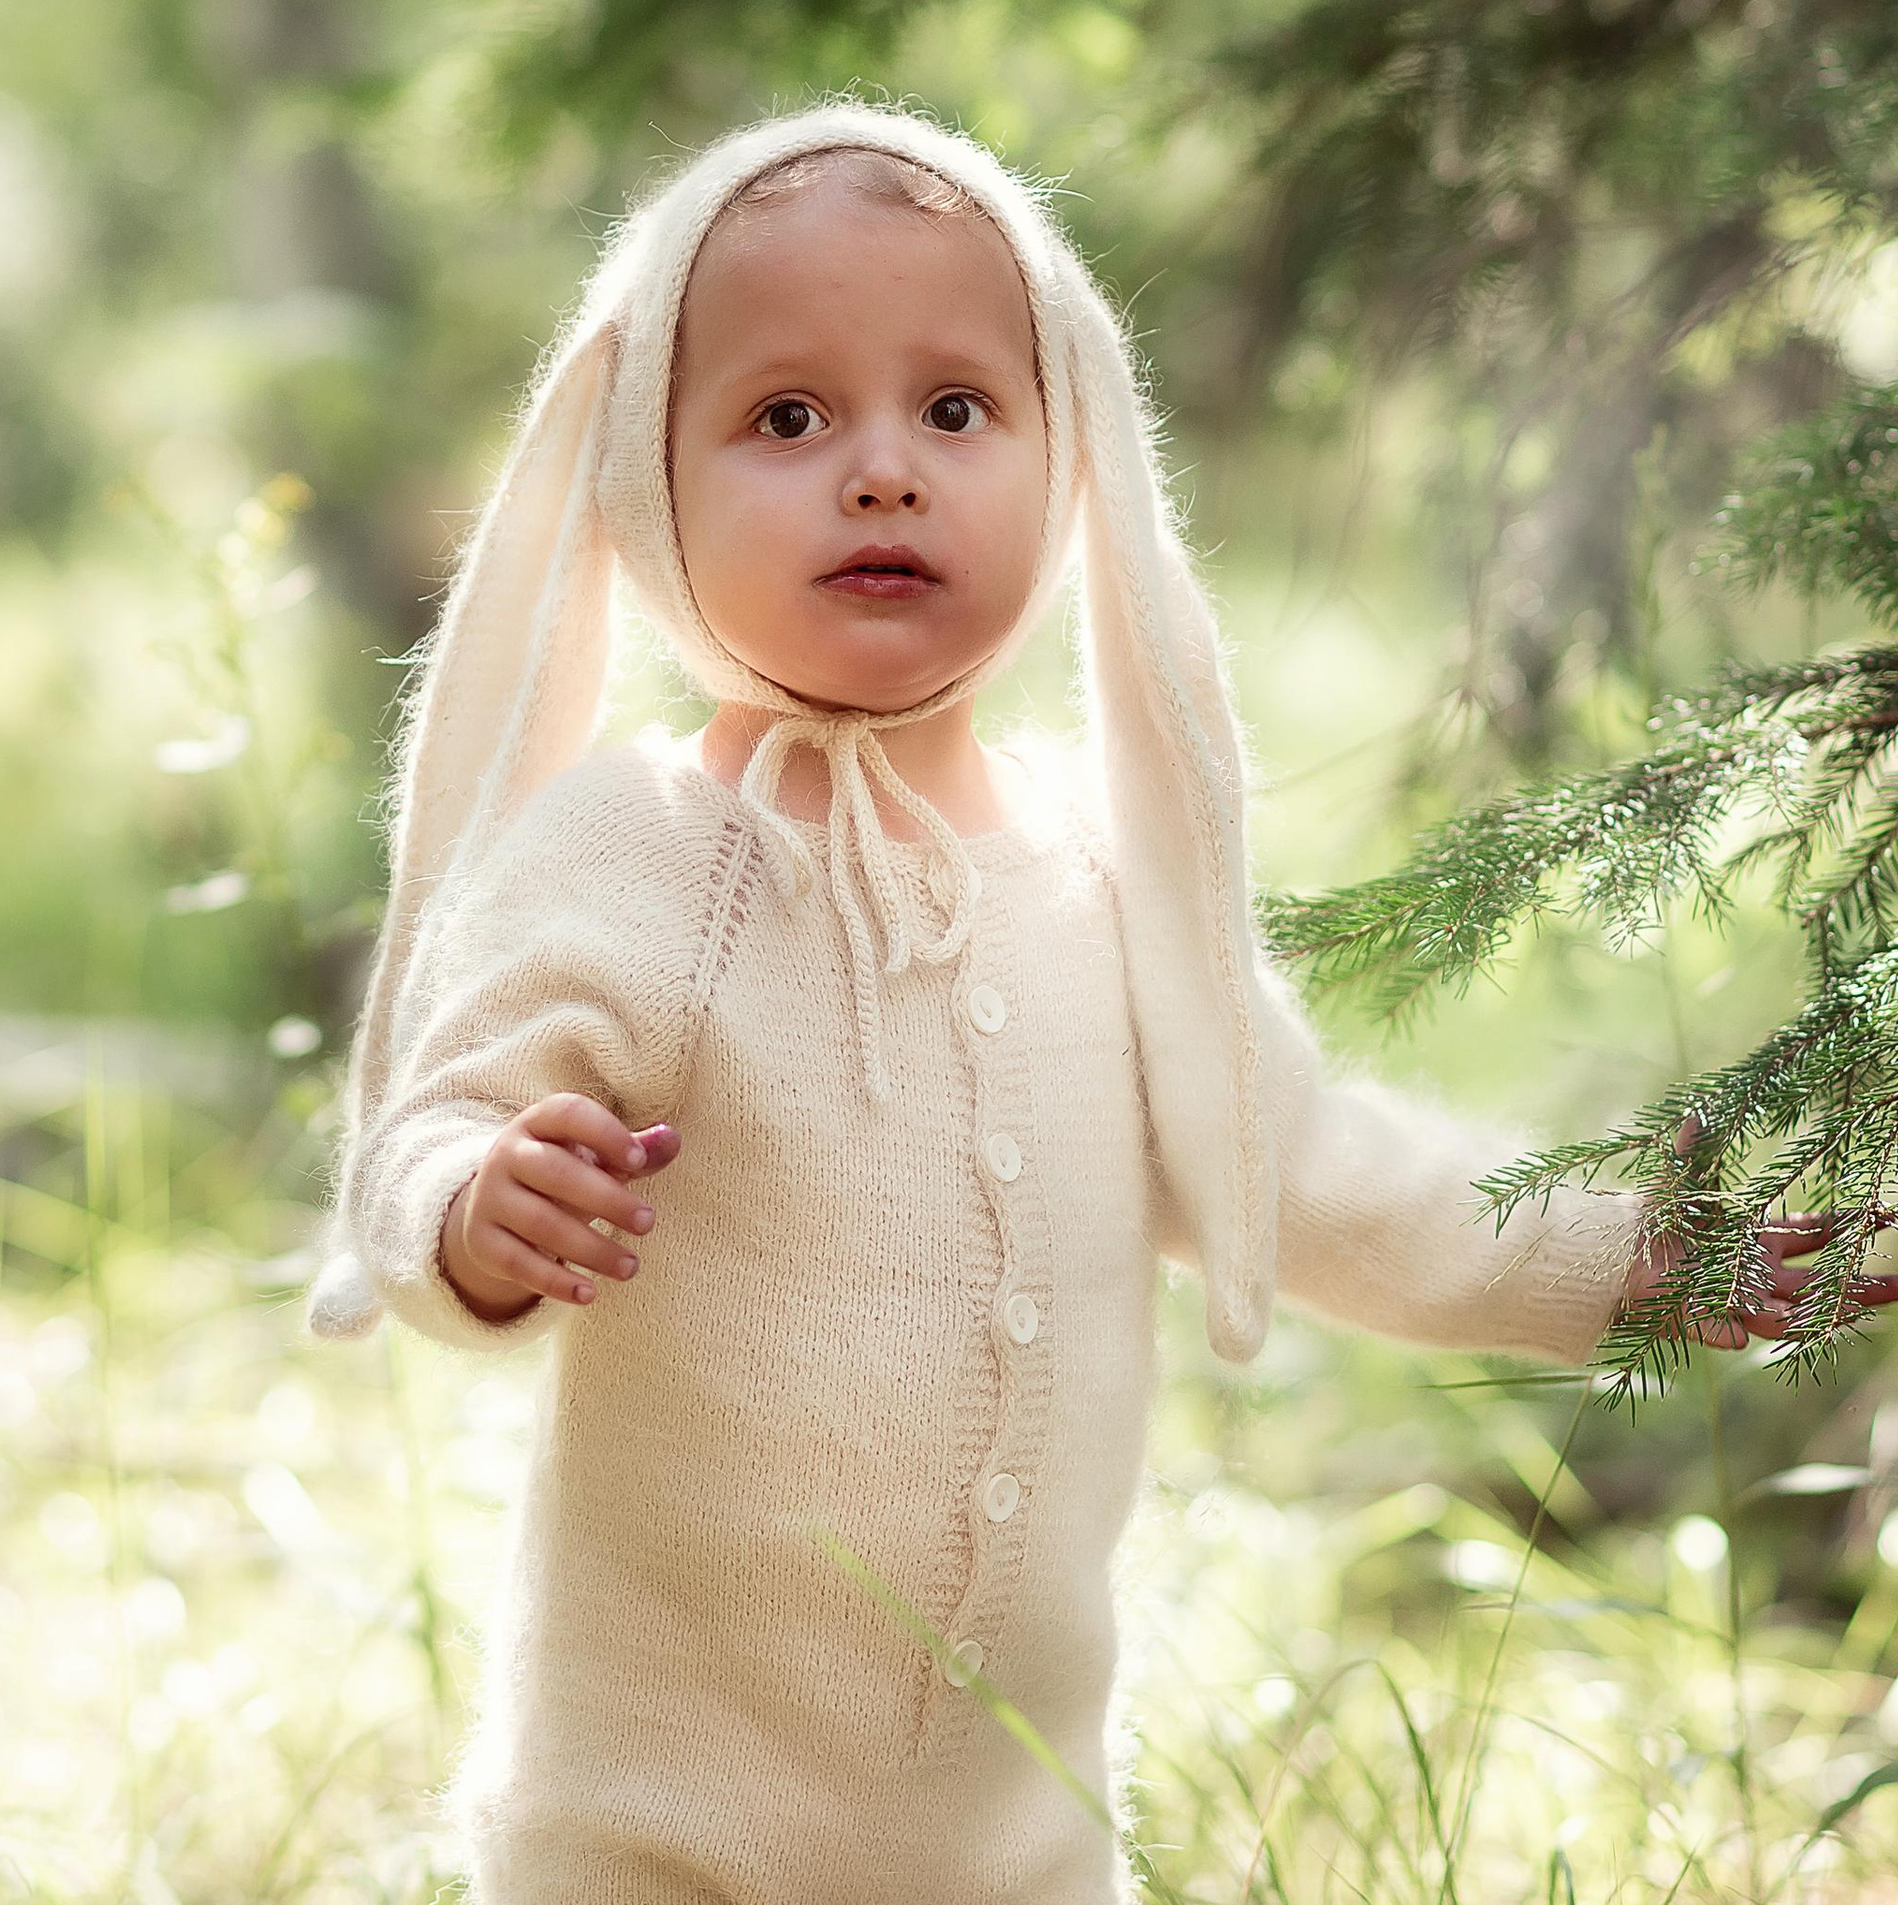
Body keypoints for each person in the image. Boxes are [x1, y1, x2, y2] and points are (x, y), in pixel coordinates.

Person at [295, 100, 1890, 1903]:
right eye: (786, 417)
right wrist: (482, 1208)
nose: (882, 470)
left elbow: (1314, 1179)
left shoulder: (1105, 872)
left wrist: (1645, 1256)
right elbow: (426, 1135)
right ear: (640, 488)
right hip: (654, 1838)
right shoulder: (640, 853)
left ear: (1076, 466)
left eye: (956, 408)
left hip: (1017, 1848)